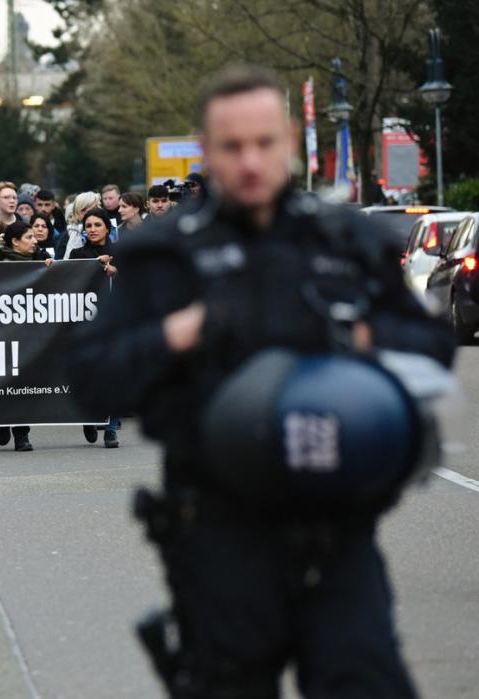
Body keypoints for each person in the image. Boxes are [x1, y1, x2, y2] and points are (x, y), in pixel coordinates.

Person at [66, 64, 455, 698]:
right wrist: (182, 331)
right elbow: (90, 378)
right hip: (221, 531)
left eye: (264, 143)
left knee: (365, 681)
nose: (250, 161)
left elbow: (435, 345)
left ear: (292, 140)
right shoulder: (164, 255)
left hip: (338, 527)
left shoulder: (345, 240)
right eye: (232, 146)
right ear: (207, 148)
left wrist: (353, 335)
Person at [0, 221, 53, 452]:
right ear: (15, 242)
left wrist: (52, 269)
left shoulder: (40, 257)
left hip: (27, 333)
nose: (35, 240)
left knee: (23, 382)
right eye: (29, 237)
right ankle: (3, 421)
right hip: (0, 331)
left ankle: (22, 435)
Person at [67, 209, 120, 448]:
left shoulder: (120, 253)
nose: (92, 228)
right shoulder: (78, 253)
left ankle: (111, 429)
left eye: (97, 224)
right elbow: (65, 279)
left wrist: (116, 272)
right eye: (88, 225)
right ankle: (88, 418)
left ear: (107, 228)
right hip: (86, 323)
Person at [55, 191, 100, 260]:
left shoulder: (110, 230)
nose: (87, 213)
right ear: (77, 213)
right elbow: (58, 261)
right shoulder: (69, 233)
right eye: (83, 210)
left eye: (93, 209)